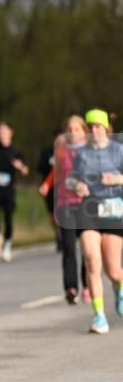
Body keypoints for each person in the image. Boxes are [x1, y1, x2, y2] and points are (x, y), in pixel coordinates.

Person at [67, 109, 123, 334]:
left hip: (113, 209)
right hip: (89, 209)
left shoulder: (118, 151)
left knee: (113, 271)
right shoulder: (82, 154)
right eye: (90, 127)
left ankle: (119, 287)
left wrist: (117, 178)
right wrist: (77, 186)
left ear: (106, 128)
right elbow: (71, 178)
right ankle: (99, 316)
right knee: (91, 259)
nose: (94, 131)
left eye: (97, 126)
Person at [41, 116, 89, 304]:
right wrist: (46, 184)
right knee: (68, 247)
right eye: (70, 129)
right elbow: (55, 172)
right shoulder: (62, 151)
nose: (73, 132)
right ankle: (71, 287)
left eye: (77, 129)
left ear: (84, 131)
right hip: (66, 203)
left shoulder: (91, 150)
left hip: (87, 205)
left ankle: (87, 284)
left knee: (87, 248)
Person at [0, 122, 29, 262]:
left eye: (4, 131)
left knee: (8, 217)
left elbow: (26, 171)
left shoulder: (16, 151)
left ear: (11, 132)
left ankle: (7, 246)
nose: (2, 134)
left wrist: (20, 166)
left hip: (9, 189)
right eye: (0, 131)